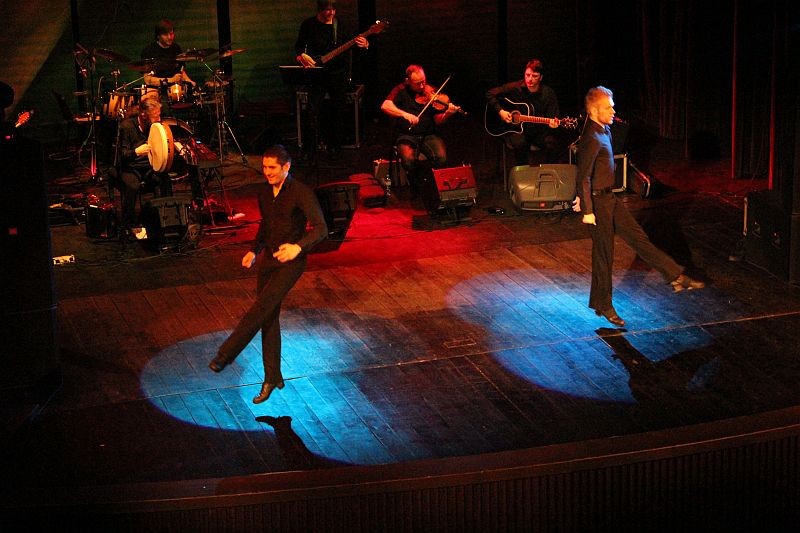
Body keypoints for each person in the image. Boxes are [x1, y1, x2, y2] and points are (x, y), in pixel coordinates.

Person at [572, 86, 704, 327]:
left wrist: (583, 197)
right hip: (598, 205)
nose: (613, 111)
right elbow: (583, 176)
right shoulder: (590, 138)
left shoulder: (604, 130)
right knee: (604, 255)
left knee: (639, 238)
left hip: (609, 199)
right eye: (608, 107)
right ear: (594, 110)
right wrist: (588, 209)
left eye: (612, 106)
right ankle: (604, 304)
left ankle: (675, 276)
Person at [208, 144, 328, 404]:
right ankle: (272, 377)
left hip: (291, 262)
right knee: (268, 317)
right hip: (269, 261)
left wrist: (298, 247)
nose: (268, 172)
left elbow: (321, 229)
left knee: (260, 308)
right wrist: (254, 250)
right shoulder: (264, 192)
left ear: (286, 167)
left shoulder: (300, 192)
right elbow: (266, 225)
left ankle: (225, 355)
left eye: (272, 168)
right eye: (264, 167)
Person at [294, 0, 369, 155]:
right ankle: (310, 148)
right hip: (317, 73)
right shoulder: (308, 25)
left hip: (338, 74)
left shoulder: (342, 25)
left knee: (338, 111)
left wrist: (365, 44)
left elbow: (355, 45)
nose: (332, 13)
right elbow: (299, 46)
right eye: (328, 10)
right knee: (312, 110)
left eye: (334, 9)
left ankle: (335, 147)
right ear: (320, 9)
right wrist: (302, 56)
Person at [380, 64, 460, 183]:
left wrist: (447, 113)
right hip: (406, 135)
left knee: (441, 158)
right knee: (408, 161)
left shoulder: (432, 91)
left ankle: (431, 184)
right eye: (418, 83)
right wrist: (404, 114)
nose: (422, 86)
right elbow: (385, 106)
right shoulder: (400, 90)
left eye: (424, 81)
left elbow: (437, 121)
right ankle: (417, 185)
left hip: (428, 135)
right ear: (408, 81)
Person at [485, 59, 561, 166]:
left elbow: (553, 116)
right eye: (527, 75)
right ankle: (524, 173)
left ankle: (548, 173)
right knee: (520, 143)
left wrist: (553, 124)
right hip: (516, 130)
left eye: (534, 76)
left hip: (538, 131)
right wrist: (501, 111)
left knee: (552, 144)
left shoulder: (548, 94)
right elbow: (490, 94)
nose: (530, 79)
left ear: (541, 77)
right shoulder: (515, 88)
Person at [114, 98, 173, 233]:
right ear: (143, 115)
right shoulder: (127, 127)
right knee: (132, 185)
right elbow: (121, 155)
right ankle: (130, 224)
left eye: (159, 115)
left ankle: (165, 218)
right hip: (130, 167)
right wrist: (136, 152)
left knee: (164, 179)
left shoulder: (155, 127)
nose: (159, 119)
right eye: (155, 116)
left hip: (148, 166)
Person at [140, 19, 196, 104]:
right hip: (157, 91)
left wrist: (189, 81)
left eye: (171, 34)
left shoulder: (176, 48)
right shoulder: (149, 51)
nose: (170, 37)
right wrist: (171, 80)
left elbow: (181, 70)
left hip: (175, 90)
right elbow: (148, 79)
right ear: (158, 36)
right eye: (166, 35)